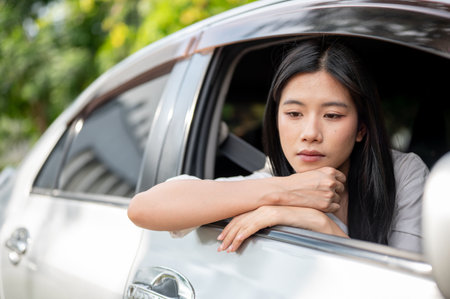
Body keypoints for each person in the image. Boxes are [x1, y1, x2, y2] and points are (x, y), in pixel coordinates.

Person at [127, 38, 428, 253]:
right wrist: (285, 192)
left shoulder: (402, 174)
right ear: (276, 119)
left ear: (362, 128)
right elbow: (144, 207)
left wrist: (318, 223)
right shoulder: (271, 183)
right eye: (294, 114)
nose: (310, 133)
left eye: (332, 115)